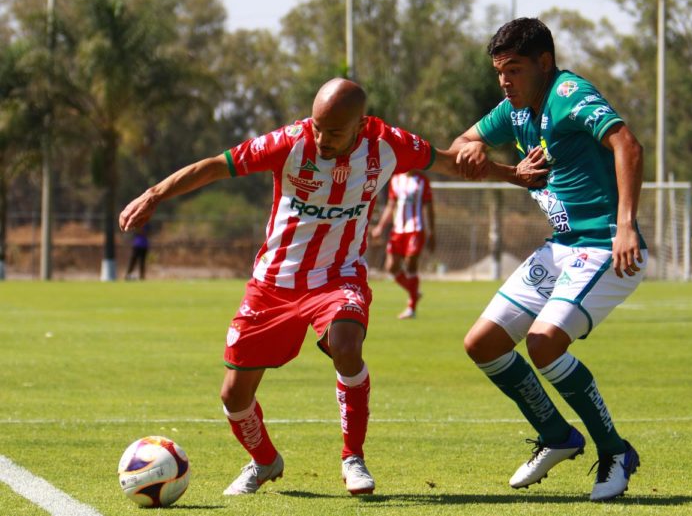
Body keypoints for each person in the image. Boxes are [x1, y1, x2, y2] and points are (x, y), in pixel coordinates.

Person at [118, 78, 546, 498]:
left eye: (335, 131)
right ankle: (265, 461)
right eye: (317, 126)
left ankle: (352, 456)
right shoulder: (288, 142)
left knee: (346, 344)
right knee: (234, 395)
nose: (322, 138)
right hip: (273, 283)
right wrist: (155, 194)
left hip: (339, 275)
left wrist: (514, 173)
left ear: (361, 125)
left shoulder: (389, 144)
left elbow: (452, 161)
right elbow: (216, 165)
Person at [449, 18, 647, 501]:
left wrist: (625, 226)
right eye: (499, 71)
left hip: (603, 244)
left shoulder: (568, 94)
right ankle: (558, 437)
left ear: (543, 62)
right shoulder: (514, 110)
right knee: (483, 344)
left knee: (543, 344)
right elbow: (460, 147)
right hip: (561, 247)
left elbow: (627, 143)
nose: (504, 81)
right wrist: (501, 168)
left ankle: (616, 451)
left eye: (513, 70)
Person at [371, 170, 435, 319]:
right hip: (398, 230)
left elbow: (429, 207)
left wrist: (431, 232)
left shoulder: (422, 181)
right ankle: (414, 292)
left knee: (411, 263)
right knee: (391, 267)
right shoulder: (395, 179)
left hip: (416, 229)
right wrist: (380, 226)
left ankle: (411, 307)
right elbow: (390, 205)